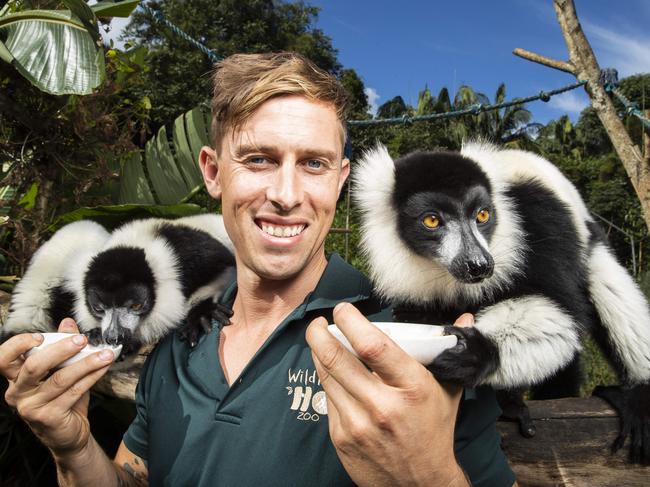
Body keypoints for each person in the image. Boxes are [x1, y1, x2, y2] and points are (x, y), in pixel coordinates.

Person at [0, 52, 517, 486]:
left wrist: (426, 475)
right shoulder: (180, 335)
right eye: (259, 160)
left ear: (341, 181)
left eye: (313, 164)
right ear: (212, 172)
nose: (286, 196)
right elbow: (133, 477)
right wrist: (71, 447)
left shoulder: (415, 342)